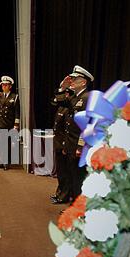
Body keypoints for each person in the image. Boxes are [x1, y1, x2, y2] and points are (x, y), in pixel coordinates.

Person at [51, 65, 93, 205]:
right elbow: (58, 101)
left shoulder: (87, 98)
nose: (72, 81)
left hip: (78, 145)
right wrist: (62, 87)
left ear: (84, 82)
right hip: (70, 144)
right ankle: (74, 207)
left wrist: (81, 147)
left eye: (75, 79)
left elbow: (87, 126)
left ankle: (79, 209)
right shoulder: (75, 97)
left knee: (78, 180)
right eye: (72, 79)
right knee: (72, 177)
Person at [0, 75, 20, 170]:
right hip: (0, 123)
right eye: (3, 85)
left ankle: (6, 163)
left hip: (9, 124)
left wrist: (16, 125)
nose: (4, 87)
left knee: (7, 145)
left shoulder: (14, 97)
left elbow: (17, 112)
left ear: (10, 86)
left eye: (6, 85)